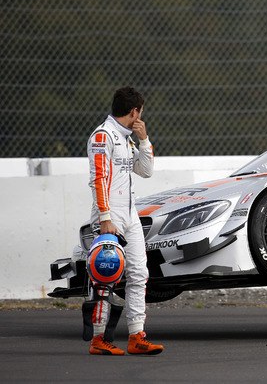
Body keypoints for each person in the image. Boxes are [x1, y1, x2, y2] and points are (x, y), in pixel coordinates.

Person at [87, 86, 164, 355]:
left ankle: (136, 335)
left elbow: (146, 170)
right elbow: (98, 179)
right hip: (109, 214)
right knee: (105, 275)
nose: (141, 116)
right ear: (135, 111)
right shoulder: (102, 135)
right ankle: (98, 340)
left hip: (131, 214)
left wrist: (144, 140)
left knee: (139, 274)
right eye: (141, 112)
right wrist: (105, 217)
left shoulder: (127, 138)